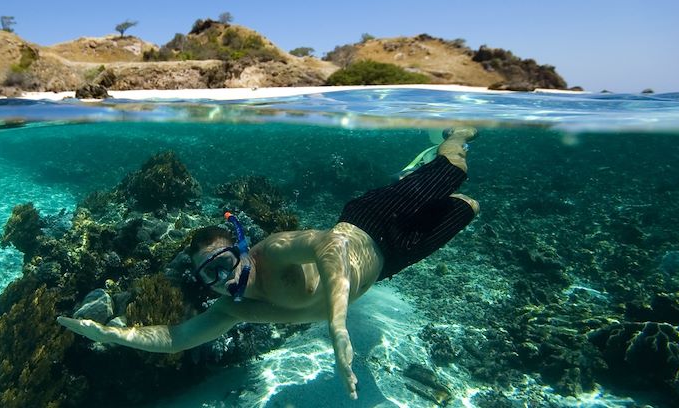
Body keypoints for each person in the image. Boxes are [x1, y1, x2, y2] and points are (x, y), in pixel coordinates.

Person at [58, 127, 480, 400]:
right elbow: (176, 337)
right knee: (467, 207)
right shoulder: (233, 309)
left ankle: (451, 137)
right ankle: (414, 174)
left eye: (224, 263)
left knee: (455, 169)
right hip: (392, 260)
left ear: (241, 249)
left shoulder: (273, 252)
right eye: (210, 275)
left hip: (372, 220)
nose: (224, 280)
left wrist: (337, 324)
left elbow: (330, 244)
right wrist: (119, 336)